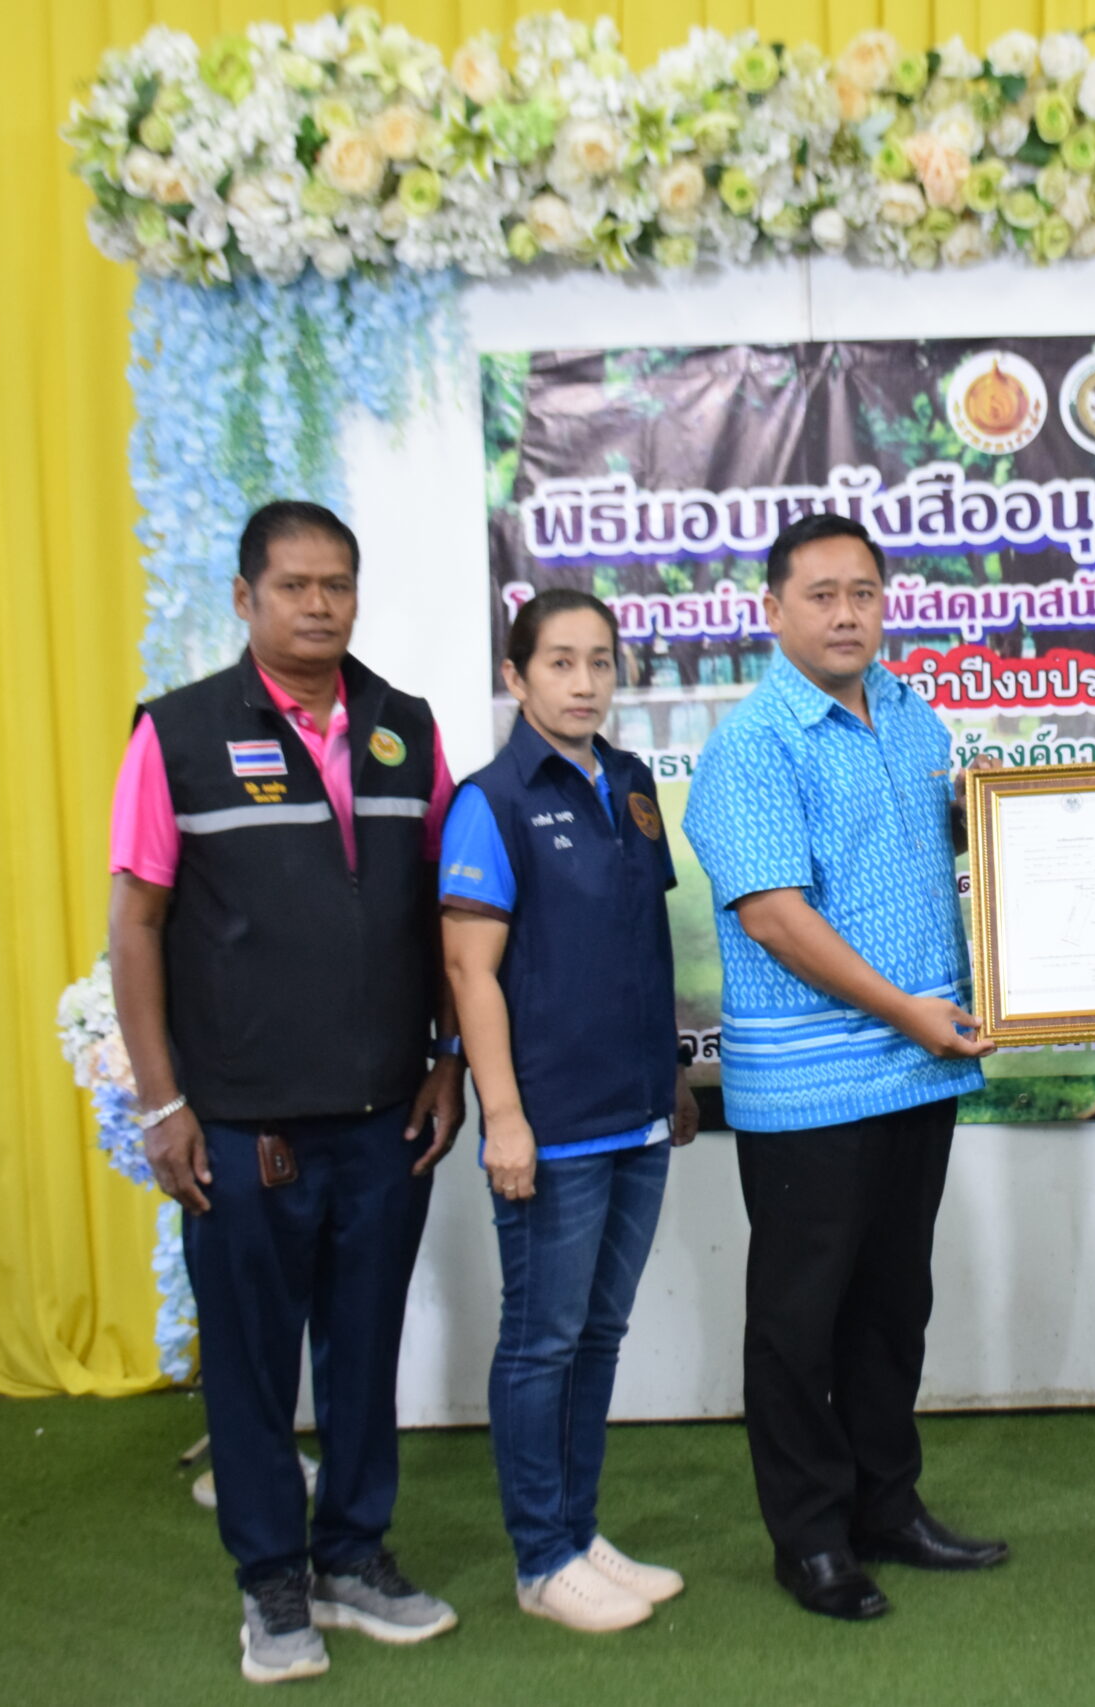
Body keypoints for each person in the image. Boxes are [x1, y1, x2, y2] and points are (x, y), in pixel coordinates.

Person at [107, 500, 462, 1684]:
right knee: (255, 1364)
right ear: (246, 598)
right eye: (295, 585)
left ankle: (354, 1555)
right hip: (243, 1125)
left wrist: (449, 1059)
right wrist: (163, 1106)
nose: (319, 606)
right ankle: (272, 1583)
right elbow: (137, 925)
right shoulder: (180, 733)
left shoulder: (407, 730)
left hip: (384, 1118)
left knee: (363, 1351)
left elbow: (449, 915)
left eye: (338, 585)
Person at [682, 512, 1009, 1623]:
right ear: (771, 612)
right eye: (819, 595)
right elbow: (776, 917)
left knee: (888, 1306)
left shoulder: (914, 716)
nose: (844, 613)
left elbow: (950, 842)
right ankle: (811, 1539)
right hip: (814, 1082)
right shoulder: (754, 742)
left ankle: (889, 1506)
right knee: (797, 1320)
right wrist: (908, 1014)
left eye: (862, 592)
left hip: (917, 1072)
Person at [440, 590, 701, 1632]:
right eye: (560, 663)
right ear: (516, 677)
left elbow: (647, 944)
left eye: (600, 662)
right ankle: (540, 1559)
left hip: (637, 1114)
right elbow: (470, 972)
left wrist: (673, 1075)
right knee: (540, 1343)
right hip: (550, 1128)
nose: (585, 682)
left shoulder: (631, 783)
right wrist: (502, 1118)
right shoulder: (490, 801)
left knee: (597, 1334)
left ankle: (579, 1532)